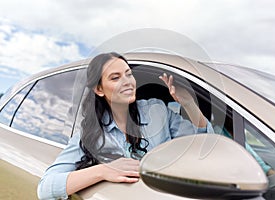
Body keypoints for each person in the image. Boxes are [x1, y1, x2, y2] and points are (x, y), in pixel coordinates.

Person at [37, 52, 214, 199]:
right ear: (99, 89)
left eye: (128, 74)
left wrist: (189, 104)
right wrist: (104, 170)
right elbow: (45, 189)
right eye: (115, 78)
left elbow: (205, 145)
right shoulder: (89, 135)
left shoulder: (157, 110)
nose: (127, 81)